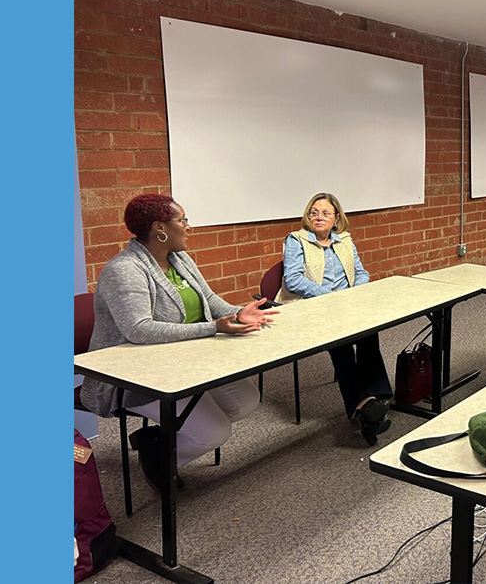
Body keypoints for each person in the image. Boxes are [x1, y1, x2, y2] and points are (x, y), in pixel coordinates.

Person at [78, 194, 278, 491]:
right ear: (160, 228)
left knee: (247, 399)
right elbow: (139, 330)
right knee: (214, 433)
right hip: (136, 376)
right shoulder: (125, 270)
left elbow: (208, 299)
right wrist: (212, 328)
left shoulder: (179, 258)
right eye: (182, 220)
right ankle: (158, 455)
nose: (188, 227)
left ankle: (157, 439)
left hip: (187, 362)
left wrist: (238, 312)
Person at [277, 192, 393, 445]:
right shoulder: (297, 241)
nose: (319, 217)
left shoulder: (344, 241)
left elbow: (361, 272)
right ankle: (364, 408)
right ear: (308, 217)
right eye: (313, 213)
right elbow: (294, 280)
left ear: (336, 218)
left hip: (348, 303)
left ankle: (375, 399)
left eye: (325, 213)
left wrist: (354, 293)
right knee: (341, 346)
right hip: (315, 306)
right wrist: (331, 297)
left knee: (369, 334)